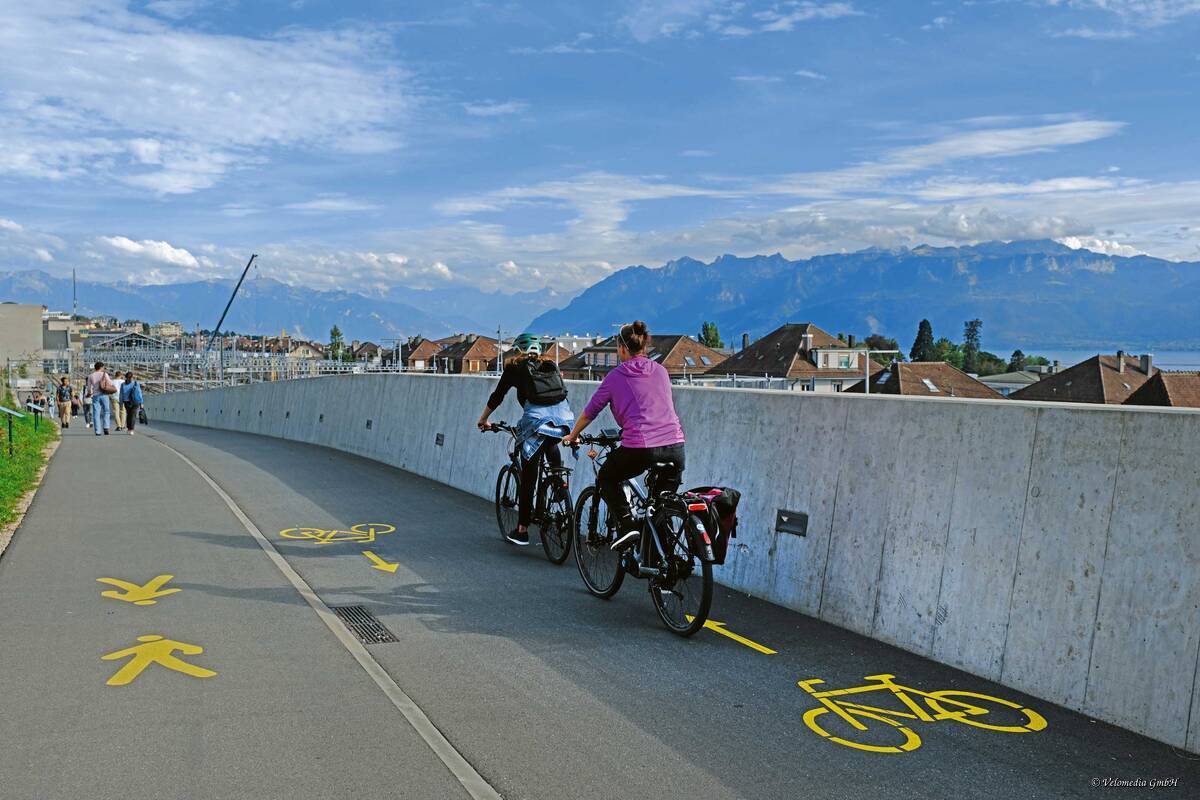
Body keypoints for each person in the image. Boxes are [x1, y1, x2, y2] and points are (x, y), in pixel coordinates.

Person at [562, 320, 685, 551]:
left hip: (642, 448)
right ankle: (663, 564)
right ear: (644, 347)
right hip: (676, 447)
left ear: (621, 348)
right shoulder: (661, 371)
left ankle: (628, 525)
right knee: (660, 508)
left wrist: (573, 435)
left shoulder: (616, 376)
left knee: (607, 477)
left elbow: (591, 411)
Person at [476, 332, 574, 546]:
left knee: (530, 470)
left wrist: (484, 419)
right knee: (549, 440)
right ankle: (558, 484)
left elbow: (498, 396)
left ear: (518, 350)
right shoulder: (551, 365)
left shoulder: (514, 368)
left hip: (536, 420)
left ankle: (521, 529)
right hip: (564, 418)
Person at [85, 361, 114, 436]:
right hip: (104, 395)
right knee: (106, 411)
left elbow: (89, 388)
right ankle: (106, 428)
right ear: (101, 367)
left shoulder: (90, 376)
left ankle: (98, 431)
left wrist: (89, 394)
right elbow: (110, 383)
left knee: (96, 413)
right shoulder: (105, 374)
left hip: (95, 396)